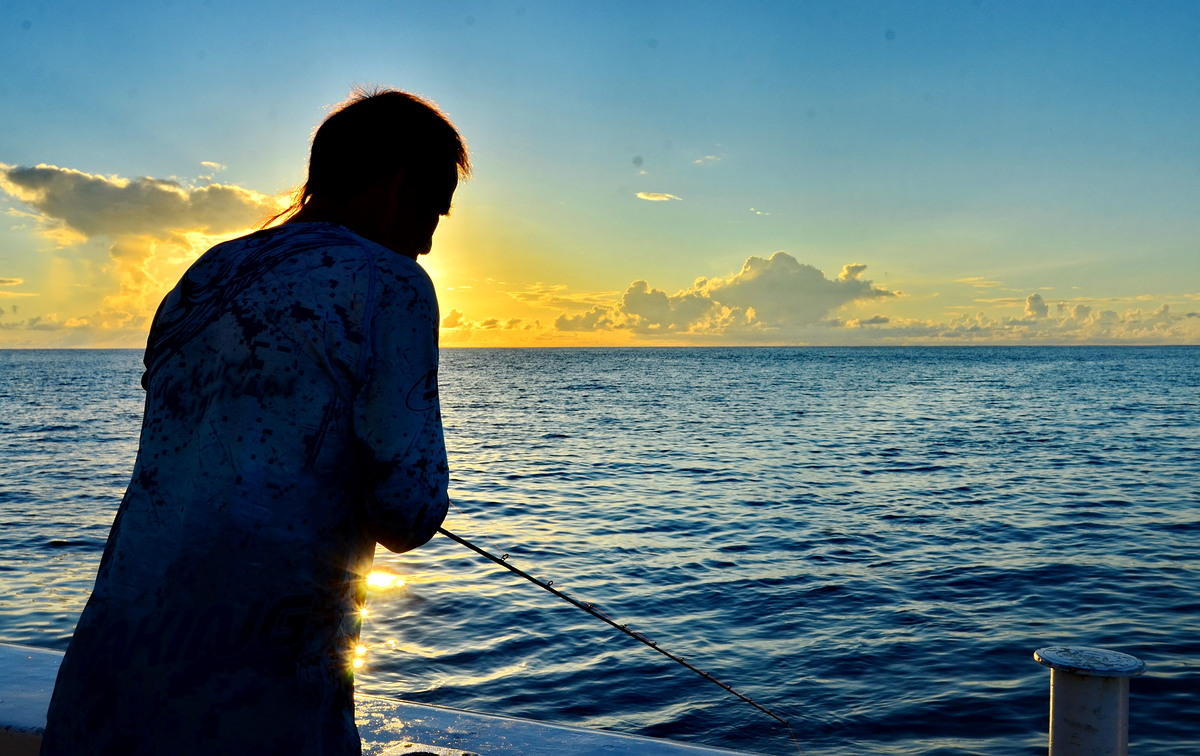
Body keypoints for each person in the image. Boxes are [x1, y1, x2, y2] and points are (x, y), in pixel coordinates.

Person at [41, 88, 468, 756]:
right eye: (432, 212)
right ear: (398, 188)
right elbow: (407, 513)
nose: (428, 242)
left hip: (100, 690)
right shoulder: (389, 281)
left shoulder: (205, 273)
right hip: (250, 707)